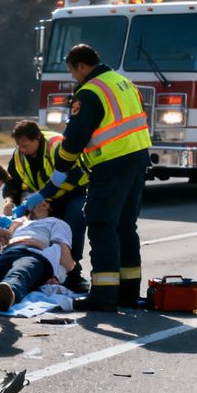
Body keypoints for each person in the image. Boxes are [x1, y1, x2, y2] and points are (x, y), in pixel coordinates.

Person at [52, 43, 151, 312]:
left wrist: (62, 163)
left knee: (100, 222)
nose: (74, 77)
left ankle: (104, 295)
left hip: (111, 163)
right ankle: (129, 293)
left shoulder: (90, 91)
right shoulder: (123, 83)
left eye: (73, 72)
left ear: (80, 66)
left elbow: (76, 137)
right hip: (137, 157)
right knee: (125, 226)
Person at [5, 120, 90, 292]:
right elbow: (13, 181)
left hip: (73, 192)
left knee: (73, 221)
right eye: (19, 145)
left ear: (37, 138)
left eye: (26, 145)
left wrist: (42, 195)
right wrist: (9, 201)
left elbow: (72, 175)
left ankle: (73, 273)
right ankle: (45, 272)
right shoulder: (19, 155)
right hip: (44, 198)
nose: (22, 150)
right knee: (41, 232)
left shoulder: (56, 146)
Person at [0, 198, 75, 311]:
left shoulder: (56, 222)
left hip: (34, 254)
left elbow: (65, 257)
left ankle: (8, 295)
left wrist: (57, 274)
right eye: (38, 202)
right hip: (8, 253)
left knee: (20, 272)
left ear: (50, 208)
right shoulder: (20, 222)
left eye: (45, 203)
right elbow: (1, 244)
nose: (40, 204)